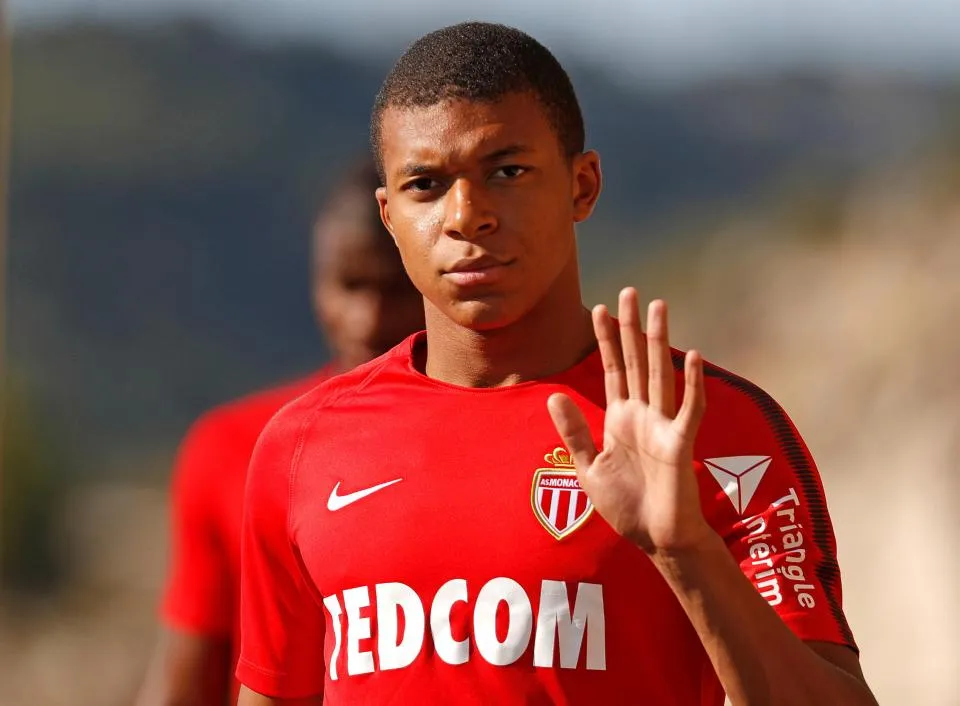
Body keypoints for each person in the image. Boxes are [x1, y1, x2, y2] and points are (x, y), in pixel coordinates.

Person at [236, 22, 877, 706]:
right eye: (426, 184)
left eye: (507, 172)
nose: (467, 216)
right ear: (389, 216)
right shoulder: (301, 448)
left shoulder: (707, 427)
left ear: (582, 185)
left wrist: (687, 553)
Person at [135, 157, 424, 706]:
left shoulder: (484, 441)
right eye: (349, 284)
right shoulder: (232, 447)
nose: (368, 317)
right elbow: (184, 678)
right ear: (315, 281)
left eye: (395, 288)